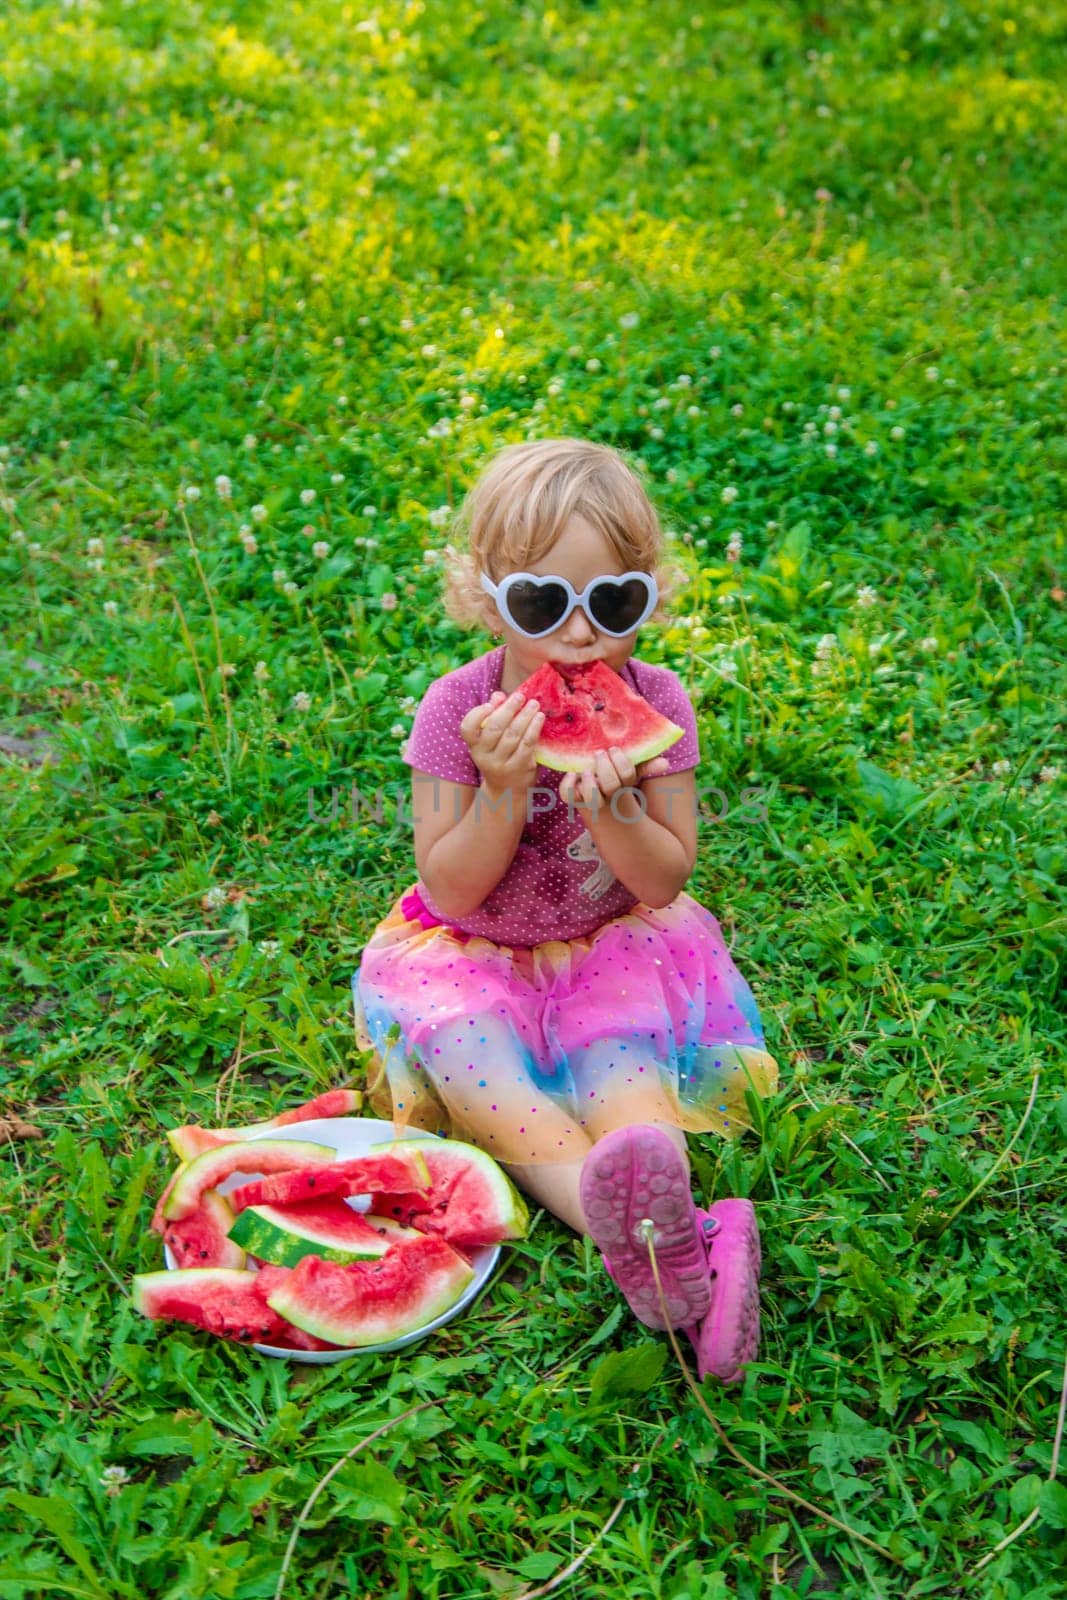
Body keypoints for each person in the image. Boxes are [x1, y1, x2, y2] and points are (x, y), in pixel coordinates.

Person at [352, 438, 779, 1383]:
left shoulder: (659, 701)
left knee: (620, 1070)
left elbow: (662, 881)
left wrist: (616, 807)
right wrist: (501, 787)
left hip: (613, 943)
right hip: (467, 951)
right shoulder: (453, 710)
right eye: (543, 605)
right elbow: (452, 887)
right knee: (479, 1072)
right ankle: (654, 1244)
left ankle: (656, 1204)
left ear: (649, 595)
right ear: (483, 597)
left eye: (613, 603)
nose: (581, 637)